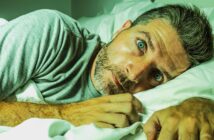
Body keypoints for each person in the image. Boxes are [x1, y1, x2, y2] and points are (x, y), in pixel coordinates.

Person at [0, 4, 213, 139]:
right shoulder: (53, 32)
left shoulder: (143, 101)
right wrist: (66, 114)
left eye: (157, 75)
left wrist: (201, 103)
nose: (134, 74)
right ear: (122, 28)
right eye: (141, 45)